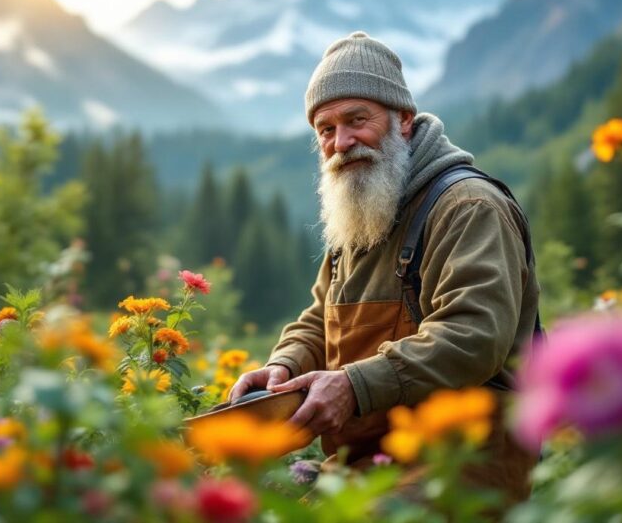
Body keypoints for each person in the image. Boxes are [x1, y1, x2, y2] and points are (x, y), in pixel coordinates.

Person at [229, 31, 539, 501]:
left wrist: (353, 387)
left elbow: (474, 335)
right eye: (326, 130)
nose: (342, 142)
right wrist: (281, 371)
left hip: (465, 458)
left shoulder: (468, 207)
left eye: (358, 120)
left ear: (405, 121)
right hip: (371, 458)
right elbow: (319, 318)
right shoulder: (363, 207)